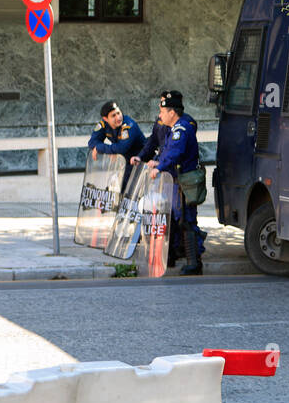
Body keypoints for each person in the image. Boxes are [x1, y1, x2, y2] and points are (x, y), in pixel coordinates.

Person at [132, 90, 206, 275]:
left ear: (172, 112)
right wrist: (156, 161)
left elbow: (175, 152)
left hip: (184, 182)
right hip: (174, 179)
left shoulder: (181, 128)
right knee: (175, 218)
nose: (160, 115)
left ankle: (194, 263)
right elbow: (165, 150)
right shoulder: (174, 128)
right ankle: (175, 256)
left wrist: (159, 167)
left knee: (187, 220)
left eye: (162, 111)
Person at [87, 100, 144, 188]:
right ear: (105, 119)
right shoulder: (103, 124)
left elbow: (122, 148)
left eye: (118, 113)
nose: (118, 118)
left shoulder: (128, 125)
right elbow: (92, 142)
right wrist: (110, 151)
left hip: (138, 161)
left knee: (125, 189)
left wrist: (101, 148)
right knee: (113, 188)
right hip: (123, 162)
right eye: (113, 115)